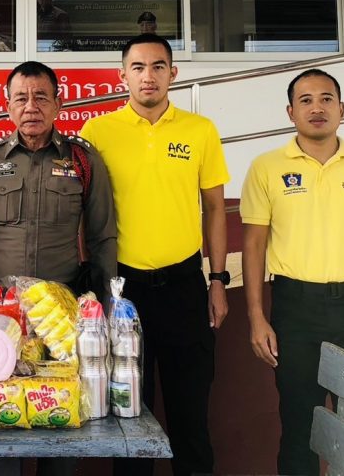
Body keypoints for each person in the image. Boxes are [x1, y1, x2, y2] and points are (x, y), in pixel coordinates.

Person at [240, 68, 344, 476]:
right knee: (300, 424)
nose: (316, 107)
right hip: (295, 309)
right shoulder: (266, 168)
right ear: (290, 112)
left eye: (326, 99)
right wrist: (256, 317)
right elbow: (254, 245)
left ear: (341, 108)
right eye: (305, 100)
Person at [80, 33, 229, 476]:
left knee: (190, 416)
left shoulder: (199, 130)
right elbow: (79, 212)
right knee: (127, 418)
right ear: (122, 75)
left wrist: (217, 281)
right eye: (139, 67)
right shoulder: (97, 133)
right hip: (123, 292)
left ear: (173, 74)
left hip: (184, 287)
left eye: (158, 66)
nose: (149, 76)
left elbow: (215, 208)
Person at [0, 60, 117, 297]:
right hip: (3, 299)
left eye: (41, 98)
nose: (31, 107)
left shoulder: (82, 159)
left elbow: (101, 239)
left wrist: (108, 301)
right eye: (21, 99)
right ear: (8, 107)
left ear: (57, 105)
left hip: (64, 300)